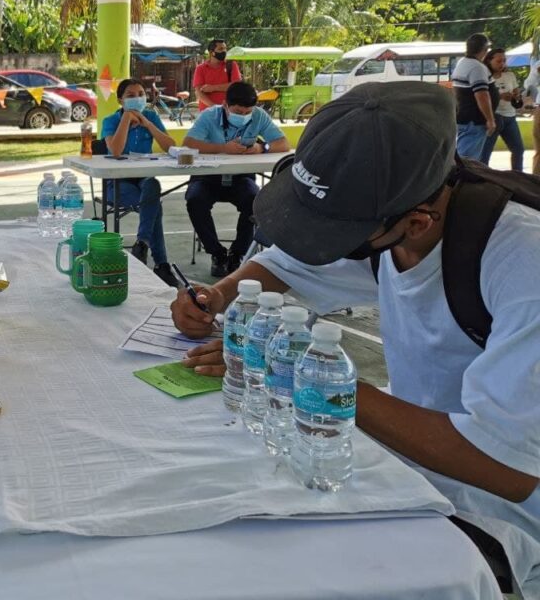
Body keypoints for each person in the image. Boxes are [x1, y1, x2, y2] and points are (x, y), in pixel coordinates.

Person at [171, 81, 539, 598]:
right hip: (412, 468)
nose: (325, 245)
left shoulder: (522, 263)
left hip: (496, 513)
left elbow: (507, 468)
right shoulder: (398, 217)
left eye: (336, 234)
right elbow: (288, 265)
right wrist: (220, 296)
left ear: (416, 222)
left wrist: (316, 382)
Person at [182, 81, 290, 278]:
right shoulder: (210, 116)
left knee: (255, 201)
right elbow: (188, 144)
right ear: (225, 105)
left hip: (241, 177)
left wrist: (262, 148)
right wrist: (223, 148)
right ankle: (217, 254)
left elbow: (283, 143)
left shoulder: (258, 116)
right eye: (238, 112)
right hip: (208, 177)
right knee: (195, 200)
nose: (244, 116)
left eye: (248, 112)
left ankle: (237, 254)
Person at [101, 78, 177, 287]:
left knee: (153, 186)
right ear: (120, 100)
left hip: (144, 178)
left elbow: (170, 146)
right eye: (131, 96)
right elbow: (116, 151)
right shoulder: (111, 120)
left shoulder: (150, 116)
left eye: (141, 94)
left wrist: (148, 124)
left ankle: (142, 242)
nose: (137, 99)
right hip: (117, 183)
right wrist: (126, 119)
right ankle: (161, 265)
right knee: (153, 207)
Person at [452, 32, 499, 161]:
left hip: (465, 118)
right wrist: (490, 119)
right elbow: (482, 95)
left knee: (464, 158)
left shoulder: (462, 62)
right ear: (485, 49)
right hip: (474, 121)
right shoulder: (477, 67)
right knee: (467, 161)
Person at [481, 48, 525, 171]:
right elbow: (481, 96)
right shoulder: (485, 77)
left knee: (518, 150)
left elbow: (516, 91)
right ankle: (483, 176)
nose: (502, 64)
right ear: (489, 61)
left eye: (504, 61)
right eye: (499, 61)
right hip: (494, 117)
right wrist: (500, 96)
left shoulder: (510, 75)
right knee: (485, 153)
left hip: (510, 117)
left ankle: (517, 176)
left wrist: (516, 96)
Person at [192, 38, 242, 111]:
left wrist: (213, 88)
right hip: (208, 112)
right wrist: (216, 107)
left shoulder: (231, 65)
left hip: (229, 111)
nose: (224, 51)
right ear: (212, 52)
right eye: (220, 49)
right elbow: (199, 93)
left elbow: (236, 86)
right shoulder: (200, 68)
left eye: (225, 48)